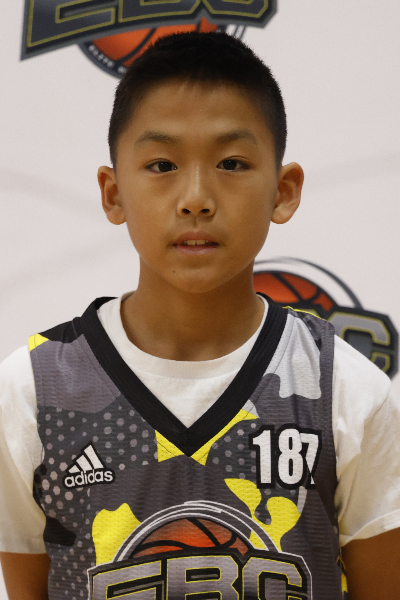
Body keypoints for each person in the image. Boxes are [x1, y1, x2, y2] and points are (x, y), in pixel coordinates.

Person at [0, 31, 399, 600]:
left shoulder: (347, 393)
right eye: (162, 164)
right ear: (113, 193)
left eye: (231, 163)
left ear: (283, 191)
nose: (195, 197)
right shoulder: (32, 393)